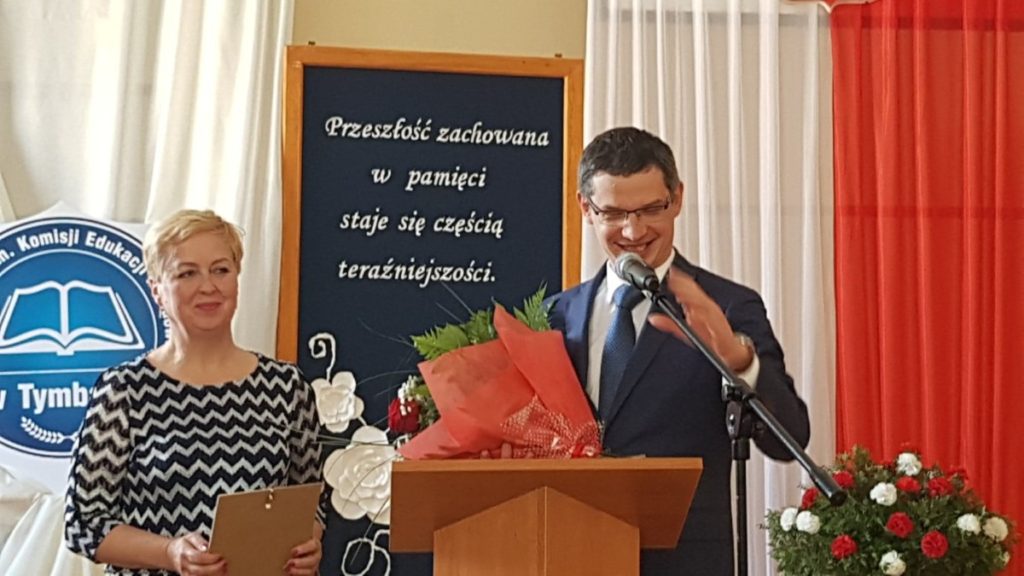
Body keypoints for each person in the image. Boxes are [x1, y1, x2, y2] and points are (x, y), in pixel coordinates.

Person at [547, 127, 811, 575]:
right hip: (569, 551)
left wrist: (741, 363)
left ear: (677, 199)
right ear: (585, 209)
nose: (634, 230)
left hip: (685, 560)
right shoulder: (556, 314)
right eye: (614, 213)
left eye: (652, 209)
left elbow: (791, 437)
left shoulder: (727, 306)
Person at [64, 209, 325, 576]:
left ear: (237, 278)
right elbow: (84, 525)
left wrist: (307, 546)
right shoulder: (124, 390)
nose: (208, 286)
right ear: (157, 289)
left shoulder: (287, 386)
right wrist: (169, 552)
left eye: (221, 270)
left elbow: (311, 505)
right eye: (187, 273)